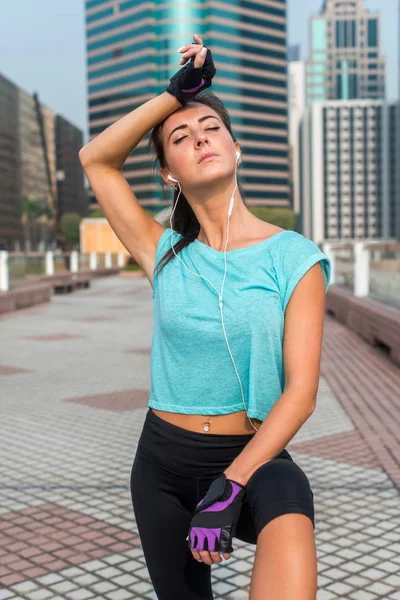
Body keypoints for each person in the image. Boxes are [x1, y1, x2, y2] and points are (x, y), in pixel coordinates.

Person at [79, 34, 331, 600]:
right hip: (162, 466)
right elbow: (95, 159)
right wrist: (176, 95)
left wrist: (228, 487)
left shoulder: (295, 257)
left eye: (212, 128)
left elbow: (302, 393)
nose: (199, 138)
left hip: (257, 459)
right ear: (169, 173)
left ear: (237, 148)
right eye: (181, 137)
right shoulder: (161, 250)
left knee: (291, 515)